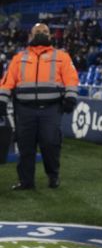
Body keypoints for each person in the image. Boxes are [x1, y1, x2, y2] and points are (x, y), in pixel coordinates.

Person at [0, 23, 79, 189]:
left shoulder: (62, 56)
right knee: (25, 146)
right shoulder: (19, 58)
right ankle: (26, 182)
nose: (41, 33)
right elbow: (7, 81)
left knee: (50, 144)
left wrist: (71, 98)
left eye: (44, 31)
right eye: (37, 31)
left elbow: (71, 78)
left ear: (50, 35)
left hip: (51, 109)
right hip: (24, 109)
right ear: (31, 35)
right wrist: (2, 101)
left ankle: (53, 175)